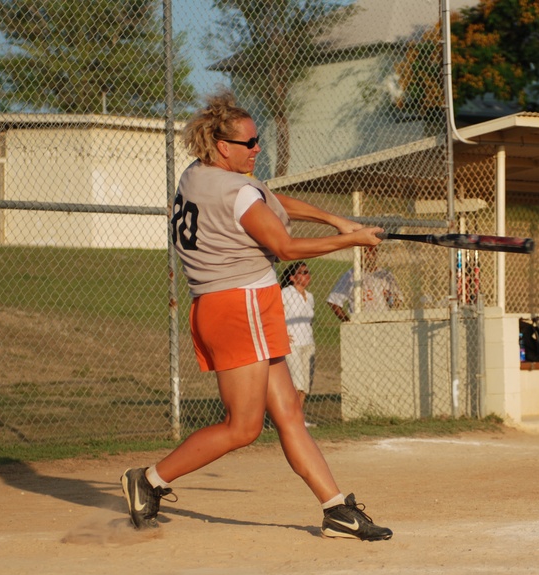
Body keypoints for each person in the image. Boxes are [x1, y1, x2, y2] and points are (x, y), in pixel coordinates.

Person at [120, 92, 391, 541]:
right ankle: (148, 480)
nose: (257, 148)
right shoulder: (235, 190)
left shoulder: (198, 174)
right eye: (248, 143)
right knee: (243, 427)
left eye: (257, 139)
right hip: (238, 306)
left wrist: (337, 221)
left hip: (233, 304)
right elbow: (285, 247)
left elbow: (267, 199)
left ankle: (335, 509)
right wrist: (352, 240)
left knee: (288, 413)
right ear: (222, 145)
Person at [280, 262, 316, 426]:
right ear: (292, 278)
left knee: (305, 384)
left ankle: (298, 419)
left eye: (308, 272)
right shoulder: (286, 293)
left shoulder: (310, 296)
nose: (307, 275)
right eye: (302, 272)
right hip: (292, 344)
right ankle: (291, 420)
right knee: (297, 383)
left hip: (308, 342)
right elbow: (275, 313)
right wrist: (281, 334)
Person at [326, 245, 402, 321]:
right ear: (359, 254)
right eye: (365, 252)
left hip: (384, 321)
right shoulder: (350, 275)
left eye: (372, 252)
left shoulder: (385, 275)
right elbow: (333, 301)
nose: (369, 256)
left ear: (376, 254)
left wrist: (391, 299)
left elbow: (398, 302)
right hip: (361, 322)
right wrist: (348, 321)